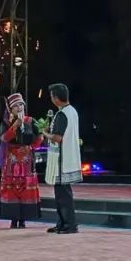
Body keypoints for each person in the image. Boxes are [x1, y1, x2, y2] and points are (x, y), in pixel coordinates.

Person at [0, 93, 43, 228]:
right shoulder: (6, 122)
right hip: (11, 161)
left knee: (26, 187)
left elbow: (40, 137)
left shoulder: (31, 121)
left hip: (27, 160)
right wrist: (15, 126)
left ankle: (23, 219)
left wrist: (30, 147)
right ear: (10, 109)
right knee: (11, 188)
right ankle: (13, 219)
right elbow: (4, 138)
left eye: (21, 105)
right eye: (16, 106)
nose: (19, 107)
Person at [42, 83, 81, 234]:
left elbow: (57, 138)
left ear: (56, 98)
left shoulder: (62, 114)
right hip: (69, 157)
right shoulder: (72, 111)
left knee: (63, 196)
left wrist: (45, 133)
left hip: (61, 160)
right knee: (62, 194)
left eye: (52, 96)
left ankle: (69, 225)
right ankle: (62, 223)